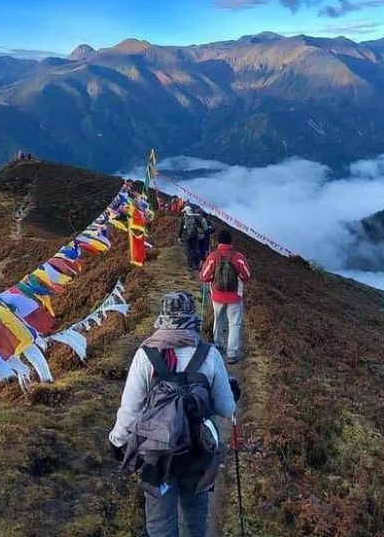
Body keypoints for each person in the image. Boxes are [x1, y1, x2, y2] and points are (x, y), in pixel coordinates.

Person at [109, 292, 237, 537]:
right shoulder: (209, 355)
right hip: (198, 453)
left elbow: (130, 410)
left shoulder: (145, 356)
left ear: (163, 318)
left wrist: (118, 442)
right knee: (195, 520)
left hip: (157, 455)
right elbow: (227, 408)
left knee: (160, 523)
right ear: (192, 318)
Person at [199, 230, 251, 365]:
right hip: (235, 296)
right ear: (230, 242)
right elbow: (247, 275)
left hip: (217, 296)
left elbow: (203, 276)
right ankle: (232, 354)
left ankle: (218, 345)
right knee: (234, 323)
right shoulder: (238, 256)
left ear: (219, 242)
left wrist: (212, 278)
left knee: (219, 319)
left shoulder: (213, 256)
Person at [178, 205, 203, 270]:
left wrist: (179, 237)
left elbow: (181, 228)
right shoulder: (195, 218)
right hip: (195, 236)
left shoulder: (183, 219)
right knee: (195, 250)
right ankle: (196, 264)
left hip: (187, 237)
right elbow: (200, 227)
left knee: (189, 251)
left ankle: (190, 266)